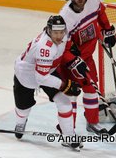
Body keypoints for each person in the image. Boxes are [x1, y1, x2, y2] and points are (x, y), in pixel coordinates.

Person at [58, 0, 116, 135]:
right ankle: (68, 130)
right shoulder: (65, 18)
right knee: (72, 93)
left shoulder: (93, 1)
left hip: (87, 57)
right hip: (70, 63)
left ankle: (92, 123)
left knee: (91, 89)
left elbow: (101, 13)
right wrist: (73, 61)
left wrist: (108, 29)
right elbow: (61, 47)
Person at [13, 15, 82, 149]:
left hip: (47, 70)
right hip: (26, 75)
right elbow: (41, 78)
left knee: (64, 101)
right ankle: (20, 122)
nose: (59, 36)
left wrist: (73, 58)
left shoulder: (63, 35)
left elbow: (66, 48)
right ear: (49, 31)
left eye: (61, 32)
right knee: (23, 108)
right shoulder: (45, 47)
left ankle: (68, 136)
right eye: (56, 33)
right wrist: (63, 85)